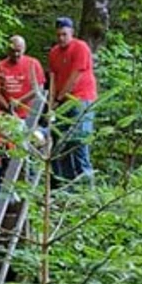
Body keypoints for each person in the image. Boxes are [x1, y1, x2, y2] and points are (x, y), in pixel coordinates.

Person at [47, 17, 97, 183]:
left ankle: (86, 184)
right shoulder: (54, 52)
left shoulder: (80, 47)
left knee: (79, 142)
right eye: (59, 35)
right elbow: (53, 78)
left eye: (64, 34)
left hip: (80, 98)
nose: (61, 38)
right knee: (61, 142)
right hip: (62, 102)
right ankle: (65, 184)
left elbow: (75, 76)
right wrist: (52, 100)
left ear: (71, 33)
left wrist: (60, 98)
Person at [0, 35, 46, 125]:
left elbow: (39, 89)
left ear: (24, 49)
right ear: (8, 50)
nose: (16, 54)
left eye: (18, 51)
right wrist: (8, 107)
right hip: (7, 114)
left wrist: (19, 101)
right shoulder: (0, 66)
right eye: (13, 51)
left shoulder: (33, 64)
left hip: (29, 114)